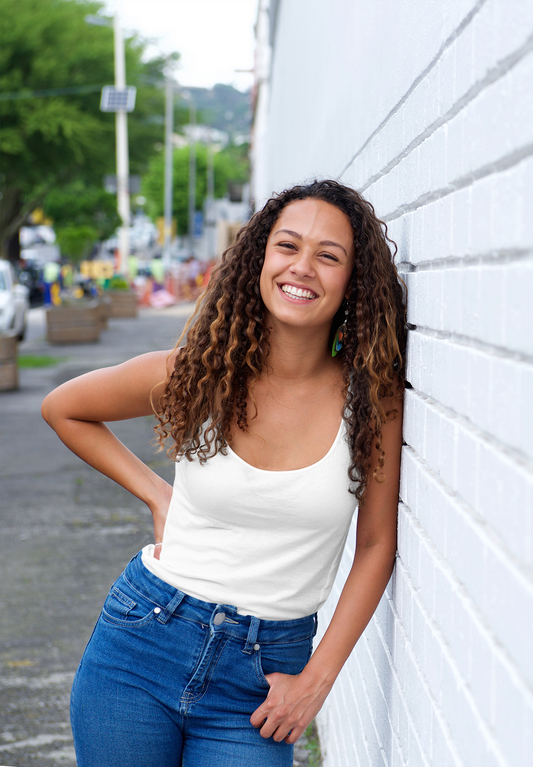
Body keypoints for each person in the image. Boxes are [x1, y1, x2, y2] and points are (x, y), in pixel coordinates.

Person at [41, 179, 406, 767]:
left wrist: (317, 680)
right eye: (287, 246)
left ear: (354, 281)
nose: (302, 267)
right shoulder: (199, 372)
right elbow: (65, 408)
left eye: (329, 255)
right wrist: (159, 495)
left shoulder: (370, 398)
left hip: (261, 680)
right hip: (141, 645)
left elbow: (376, 545)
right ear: (261, 258)